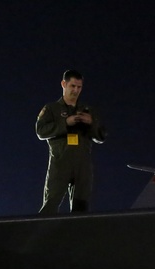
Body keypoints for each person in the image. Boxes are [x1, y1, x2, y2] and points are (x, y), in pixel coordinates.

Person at [36, 69, 106, 215]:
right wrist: (66, 122)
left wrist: (91, 122)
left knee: (81, 207)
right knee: (51, 203)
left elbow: (100, 136)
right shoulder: (52, 109)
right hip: (60, 163)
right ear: (64, 84)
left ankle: (77, 236)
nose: (75, 90)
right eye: (72, 86)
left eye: (79, 87)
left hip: (83, 165)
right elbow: (41, 131)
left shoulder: (87, 111)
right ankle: (40, 235)